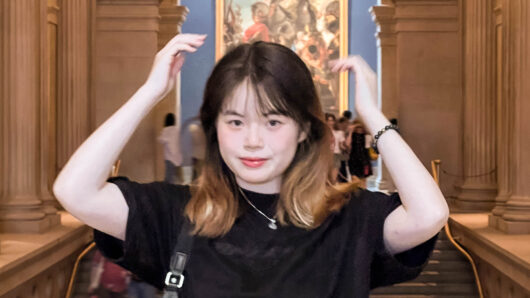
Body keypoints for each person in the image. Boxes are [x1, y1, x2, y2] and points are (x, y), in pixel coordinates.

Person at [53, 34, 449, 298]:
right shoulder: (178, 214)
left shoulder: (351, 219)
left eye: (273, 121)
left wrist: (372, 114)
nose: (252, 141)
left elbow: (429, 213)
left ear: (302, 130)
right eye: (235, 121)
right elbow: (75, 191)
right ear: (215, 129)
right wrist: (149, 92)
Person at [159, 113, 182, 183]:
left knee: (169, 179)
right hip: (178, 158)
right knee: (175, 178)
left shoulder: (166, 130)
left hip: (169, 158)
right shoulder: (177, 130)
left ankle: (167, 192)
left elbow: (161, 140)